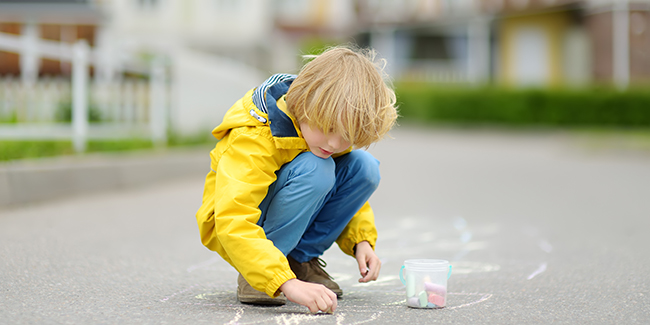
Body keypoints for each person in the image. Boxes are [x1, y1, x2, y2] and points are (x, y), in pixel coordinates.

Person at [195, 45, 398, 314]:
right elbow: (233, 218)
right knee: (317, 169)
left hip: (278, 212)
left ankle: (299, 259)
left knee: (364, 166)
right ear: (306, 104)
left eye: (347, 136)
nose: (334, 143)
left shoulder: (329, 129)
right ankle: (262, 273)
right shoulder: (256, 136)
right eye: (328, 129)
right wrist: (284, 283)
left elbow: (344, 191)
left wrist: (362, 240)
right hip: (235, 226)